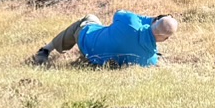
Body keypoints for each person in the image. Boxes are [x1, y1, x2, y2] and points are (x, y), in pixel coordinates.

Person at [34, 11, 178, 67]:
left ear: (154, 22)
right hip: (96, 59)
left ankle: (46, 49)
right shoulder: (150, 59)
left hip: (87, 40)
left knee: (90, 19)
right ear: (165, 39)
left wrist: (154, 19)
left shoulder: (130, 21)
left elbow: (118, 14)